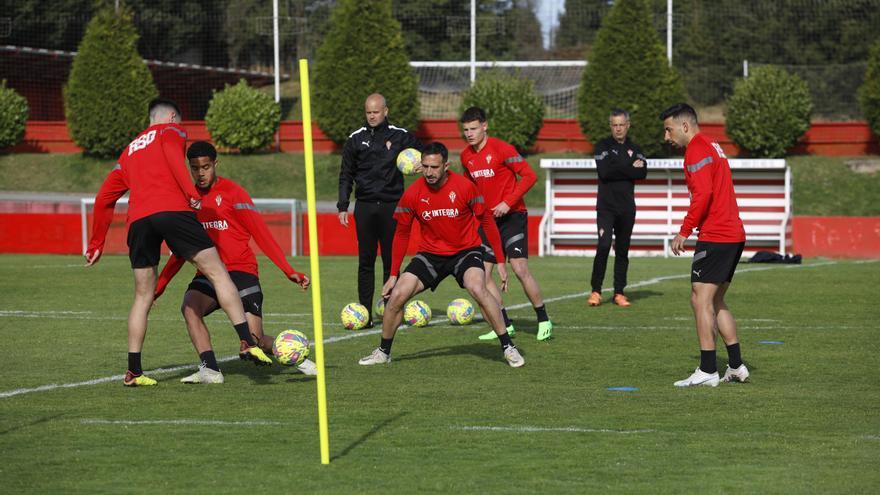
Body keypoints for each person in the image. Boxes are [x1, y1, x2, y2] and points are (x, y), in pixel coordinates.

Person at [85, 98, 273, 387]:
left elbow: (104, 198)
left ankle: (133, 371)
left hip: (138, 221)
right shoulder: (172, 131)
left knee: (142, 296)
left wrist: (96, 241)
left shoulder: (128, 152)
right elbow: (173, 158)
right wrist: (190, 192)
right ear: (172, 117)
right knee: (217, 271)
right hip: (172, 211)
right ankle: (247, 341)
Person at [152, 141, 313, 384]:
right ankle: (210, 370)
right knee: (189, 307)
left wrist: (288, 270)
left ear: (216, 164)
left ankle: (297, 354)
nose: (201, 173)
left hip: (241, 272)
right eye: (195, 168)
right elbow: (180, 251)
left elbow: (261, 234)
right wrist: (158, 288)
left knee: (253, 340)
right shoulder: (187, 202)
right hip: (207, 274)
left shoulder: (234, 193)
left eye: (206, 167)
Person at [357, 142, 524, 368]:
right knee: (397, 296)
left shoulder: (465, 187)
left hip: (465, 251)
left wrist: (500, 260)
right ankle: (383, 352)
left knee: (477, 288)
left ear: (446, 165)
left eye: (434, 167)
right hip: (430, 255)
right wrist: (394, 274)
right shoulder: (413, 193)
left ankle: (508, 346)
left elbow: (486, 220)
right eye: (425, 166)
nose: (429, 172)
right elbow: (402, 234)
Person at [660, 102, 750, 387]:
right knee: (714, 299)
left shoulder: (696, 150)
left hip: (717, 235)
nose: (666, 136)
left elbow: (703, 195)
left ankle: (708, 369)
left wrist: (683, 231)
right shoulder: (711, 143)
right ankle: (735, 366)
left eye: (668, 129)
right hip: (733, 233)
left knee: (700, 299)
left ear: (685, 126)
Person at [459, 106, 553, 342]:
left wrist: (507, 202)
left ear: (484, 126)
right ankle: (504, 323)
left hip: (513, 216)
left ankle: (543, 319)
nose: (469, 134)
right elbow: (469, 188)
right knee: (483, 275)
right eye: (466, 130)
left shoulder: (502, 149)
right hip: (487, 221)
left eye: (473, 129)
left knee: (520, 268)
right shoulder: (465, 156)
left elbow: (530, 176)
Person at [338, 93, 422, 327]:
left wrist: (421, 164)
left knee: (390, 261)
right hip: (364, 207)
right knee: (365, 260)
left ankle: (390, 310)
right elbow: (346, 174)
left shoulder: (400, 135)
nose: (372, 116)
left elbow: (429, 154)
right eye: (368, 112)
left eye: (376, 111)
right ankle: (363, 313)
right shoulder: (355, 139)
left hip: (392, 207)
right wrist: (343, 205)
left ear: (386, 111)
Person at [587, 109, 648, 308]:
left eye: (621, 124)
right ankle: (596, 291)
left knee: (622, 251)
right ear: (610, 126)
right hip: (606, 207)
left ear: (628, 125)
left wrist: (618, 167)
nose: (618, 128)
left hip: (627, 208)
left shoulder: (635, 147)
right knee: (604, 246)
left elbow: (643, 172)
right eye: (614, 125)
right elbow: (604, 172)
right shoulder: (602, 146)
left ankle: (619, 292)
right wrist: (630, 168)